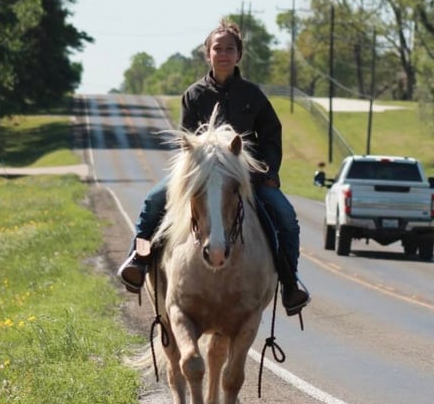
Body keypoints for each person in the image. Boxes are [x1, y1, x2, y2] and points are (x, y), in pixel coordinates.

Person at [117, 20, 309, 316]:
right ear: (208, 54)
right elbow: (187, 143)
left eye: (229, 49)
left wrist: (269, 173)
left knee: (285, 215)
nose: (223, 54)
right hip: (200, 177)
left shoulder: (253, 95)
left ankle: (289, 281)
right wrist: (192, 173)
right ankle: (138, 260)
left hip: (244, 178)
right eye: (217, 48)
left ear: (238, 55)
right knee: (153, 202)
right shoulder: (193, 95)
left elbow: (271, 135)